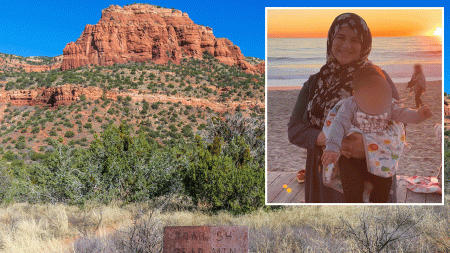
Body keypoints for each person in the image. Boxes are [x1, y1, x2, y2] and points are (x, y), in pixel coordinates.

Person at [287, 13, 401, 203]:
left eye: (355, 40)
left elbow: (400, 125)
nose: (346, 46)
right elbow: (294, 130)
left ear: (364, 45)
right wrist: (325, 137)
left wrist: (367, 145)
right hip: (324, 181)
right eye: (340, 37)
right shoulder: (314, 83)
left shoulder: (379, 78)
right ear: (331, 39)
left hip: (372, 176)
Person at [321, 65, 432, 203]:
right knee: (352, 190)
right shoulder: (350, 105)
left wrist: (418, 115)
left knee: (383, 188)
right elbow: (338, 125)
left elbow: (402, 114)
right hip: (351, 159)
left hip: (380, 157)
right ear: (356, 93)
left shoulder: (388, 104)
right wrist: (332, 148)